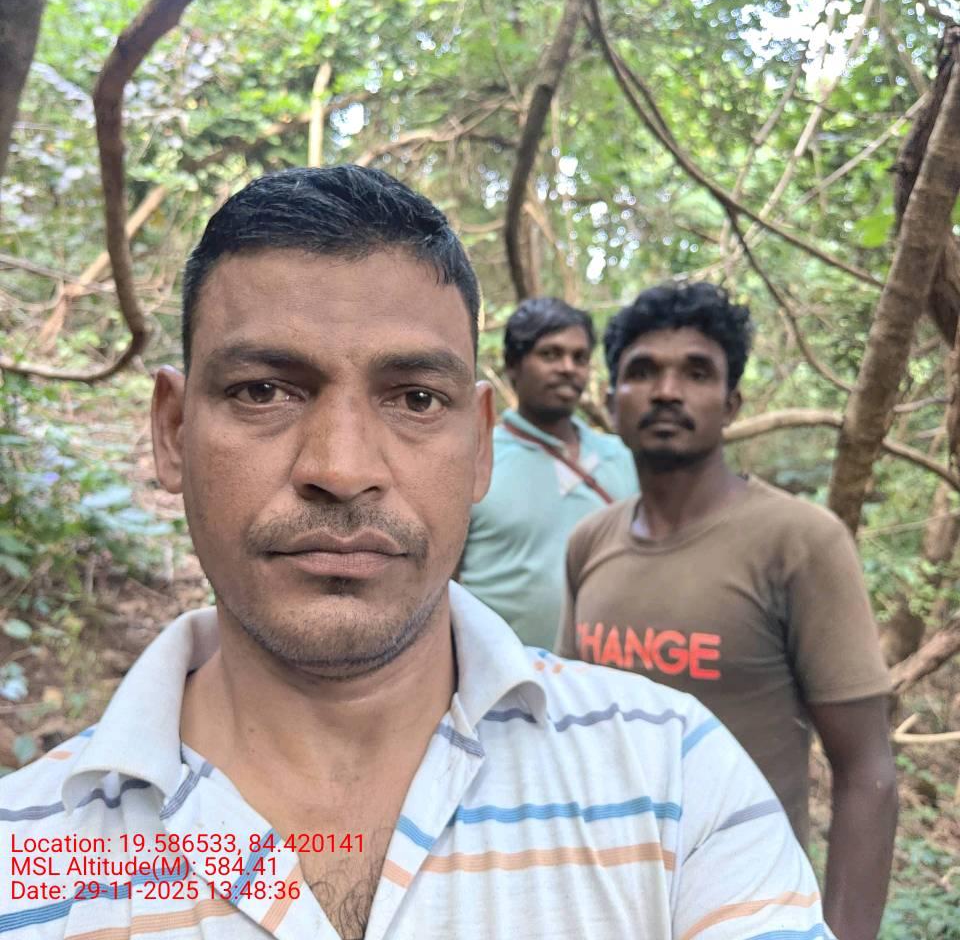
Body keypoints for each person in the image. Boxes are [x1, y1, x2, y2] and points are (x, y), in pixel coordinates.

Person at [1, 169, 834, 940]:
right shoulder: (24, 854)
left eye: (416, 399)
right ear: (173, 431)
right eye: (263, 390)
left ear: (479, 447)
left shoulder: (673, 781)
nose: (341, 468)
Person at [557, 281, 897, 940]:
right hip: (602, 902)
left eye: (697, 372)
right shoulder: (590, 543)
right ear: (611, 400)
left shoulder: (800, 542)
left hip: (748, 908)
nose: (667, 391)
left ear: (731, 403)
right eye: (643, 371)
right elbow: (571, 729)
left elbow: (866, 769)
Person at [458, 297, 637, 647]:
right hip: (498, 671)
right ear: (513, 365)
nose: (568, 368)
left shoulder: (622, 457)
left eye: (579, 357)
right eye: (550, 354)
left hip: (603, 673)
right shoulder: (474, 458)